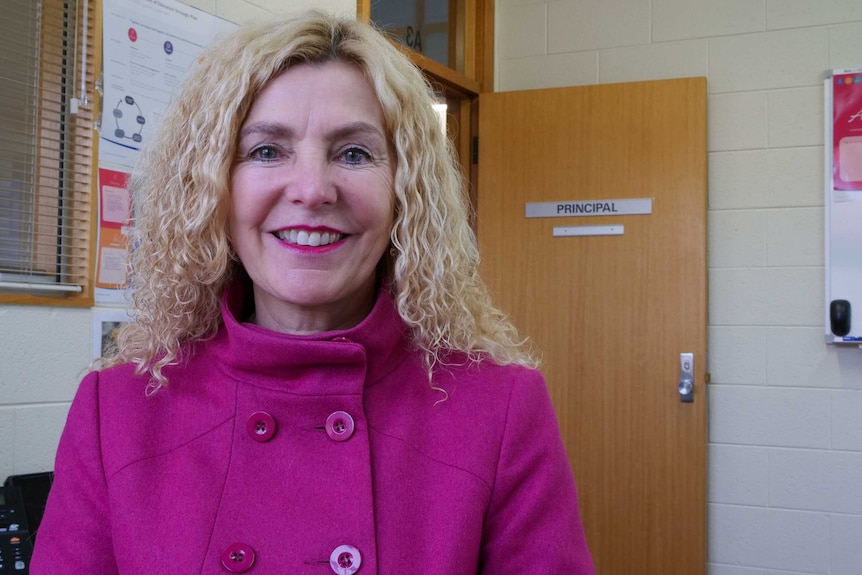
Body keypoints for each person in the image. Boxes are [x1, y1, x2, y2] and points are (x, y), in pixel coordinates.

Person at [31, 10, 594, 575]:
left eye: (354, 153)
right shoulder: (117, 412)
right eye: (266, 151)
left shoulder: (499, 409)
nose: (311, 190)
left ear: (406, 192)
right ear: (214, 188)